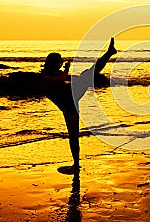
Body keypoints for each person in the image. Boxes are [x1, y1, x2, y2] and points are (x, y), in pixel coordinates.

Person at [40, 38, 117, 173]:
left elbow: (65, 79)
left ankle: (76, 164)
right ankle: (75, 164)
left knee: (89, 73)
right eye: (59, 60)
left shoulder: (54, 74)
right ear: (53, 63)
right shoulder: (45, 77)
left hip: (70, 99)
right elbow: (63, 78)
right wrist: (68, 70)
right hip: (68, 104)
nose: (62, 62)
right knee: (73, 136)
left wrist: (78, 78)